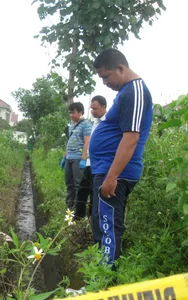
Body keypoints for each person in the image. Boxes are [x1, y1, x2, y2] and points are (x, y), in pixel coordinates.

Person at [90, 48, 153, 265]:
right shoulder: (126, 93)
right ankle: (101, 273)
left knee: (109, 228)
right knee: (101, 223)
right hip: (106, 169)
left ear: (120, 68)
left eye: (106, 76)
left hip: (116, 173)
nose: (104, 82)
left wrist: (111, 176)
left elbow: (131, 138)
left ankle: (107, 283)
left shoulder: (134, 92)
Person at [75, 96, 107, 219]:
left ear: (103, 107)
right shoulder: (95, 122)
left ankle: (92, 218)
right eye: (91, 108)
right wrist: (85, 158)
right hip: (90, 162)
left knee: (95, 192)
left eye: (95, 108)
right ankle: (78, 217)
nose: (92, 111)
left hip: (99, 164)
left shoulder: (107, 122)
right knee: (82, 189)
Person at [60, 102, 92, 210]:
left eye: (73, 112)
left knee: (78, 184)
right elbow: (69, 142)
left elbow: (87, 142)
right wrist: (65, 156)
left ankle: (78, 210)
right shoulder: (71, 126)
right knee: (69, 184)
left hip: (78, 158)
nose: (71, 115)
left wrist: (84, 158)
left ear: (80, 112)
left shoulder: (86, 124)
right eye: (70, 113)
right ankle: (70, 208)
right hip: (69, 158)